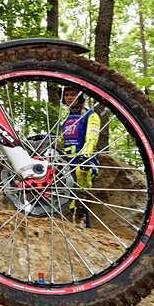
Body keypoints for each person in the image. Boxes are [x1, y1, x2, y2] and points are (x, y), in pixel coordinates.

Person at [59, 87, 101, 227]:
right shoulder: (64, 118)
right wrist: (43, 137)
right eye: (66, 95)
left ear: (80, 97)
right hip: (66, 161)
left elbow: (92, 139)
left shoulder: (91, 116)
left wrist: (85, 156)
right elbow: (61, 139)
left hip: (87, 163)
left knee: (81, 171)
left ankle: (81, 218)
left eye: (73, 94)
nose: (69, 97)